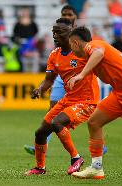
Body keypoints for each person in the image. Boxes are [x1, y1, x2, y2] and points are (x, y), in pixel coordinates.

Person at [24, 18, 100, 176]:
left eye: (59, 33)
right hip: (69, 99)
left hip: (87, 101)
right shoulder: (54, 55)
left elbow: (100, 57)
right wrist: (39, 89)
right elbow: (49, 80)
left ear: (71, 34)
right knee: (40, 132)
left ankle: (75, 158)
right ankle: (40, 168)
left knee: (57, 122)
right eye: (53, 33)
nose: (55, 36)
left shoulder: (83, 51)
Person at [68, 26, 122, 179]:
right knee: (94, 122)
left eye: (70, 45)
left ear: (75, 43)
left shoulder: (93, 46)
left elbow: (99, 52)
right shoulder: (89, 56)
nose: (71, 50)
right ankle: (96, 168)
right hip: (120, 93)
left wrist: (81, 74)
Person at [24, 5, 77, 155]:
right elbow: (49, 78)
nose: (67, 17)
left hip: (81, 82)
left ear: (75, 19)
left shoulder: (82, 42)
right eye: (64, 14)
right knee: (53, 111)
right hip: (62, 76)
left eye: (70, 14)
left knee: (94, 118)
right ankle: (42, 144)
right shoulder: (57, 46)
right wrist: (40, 88)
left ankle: (98, 144)